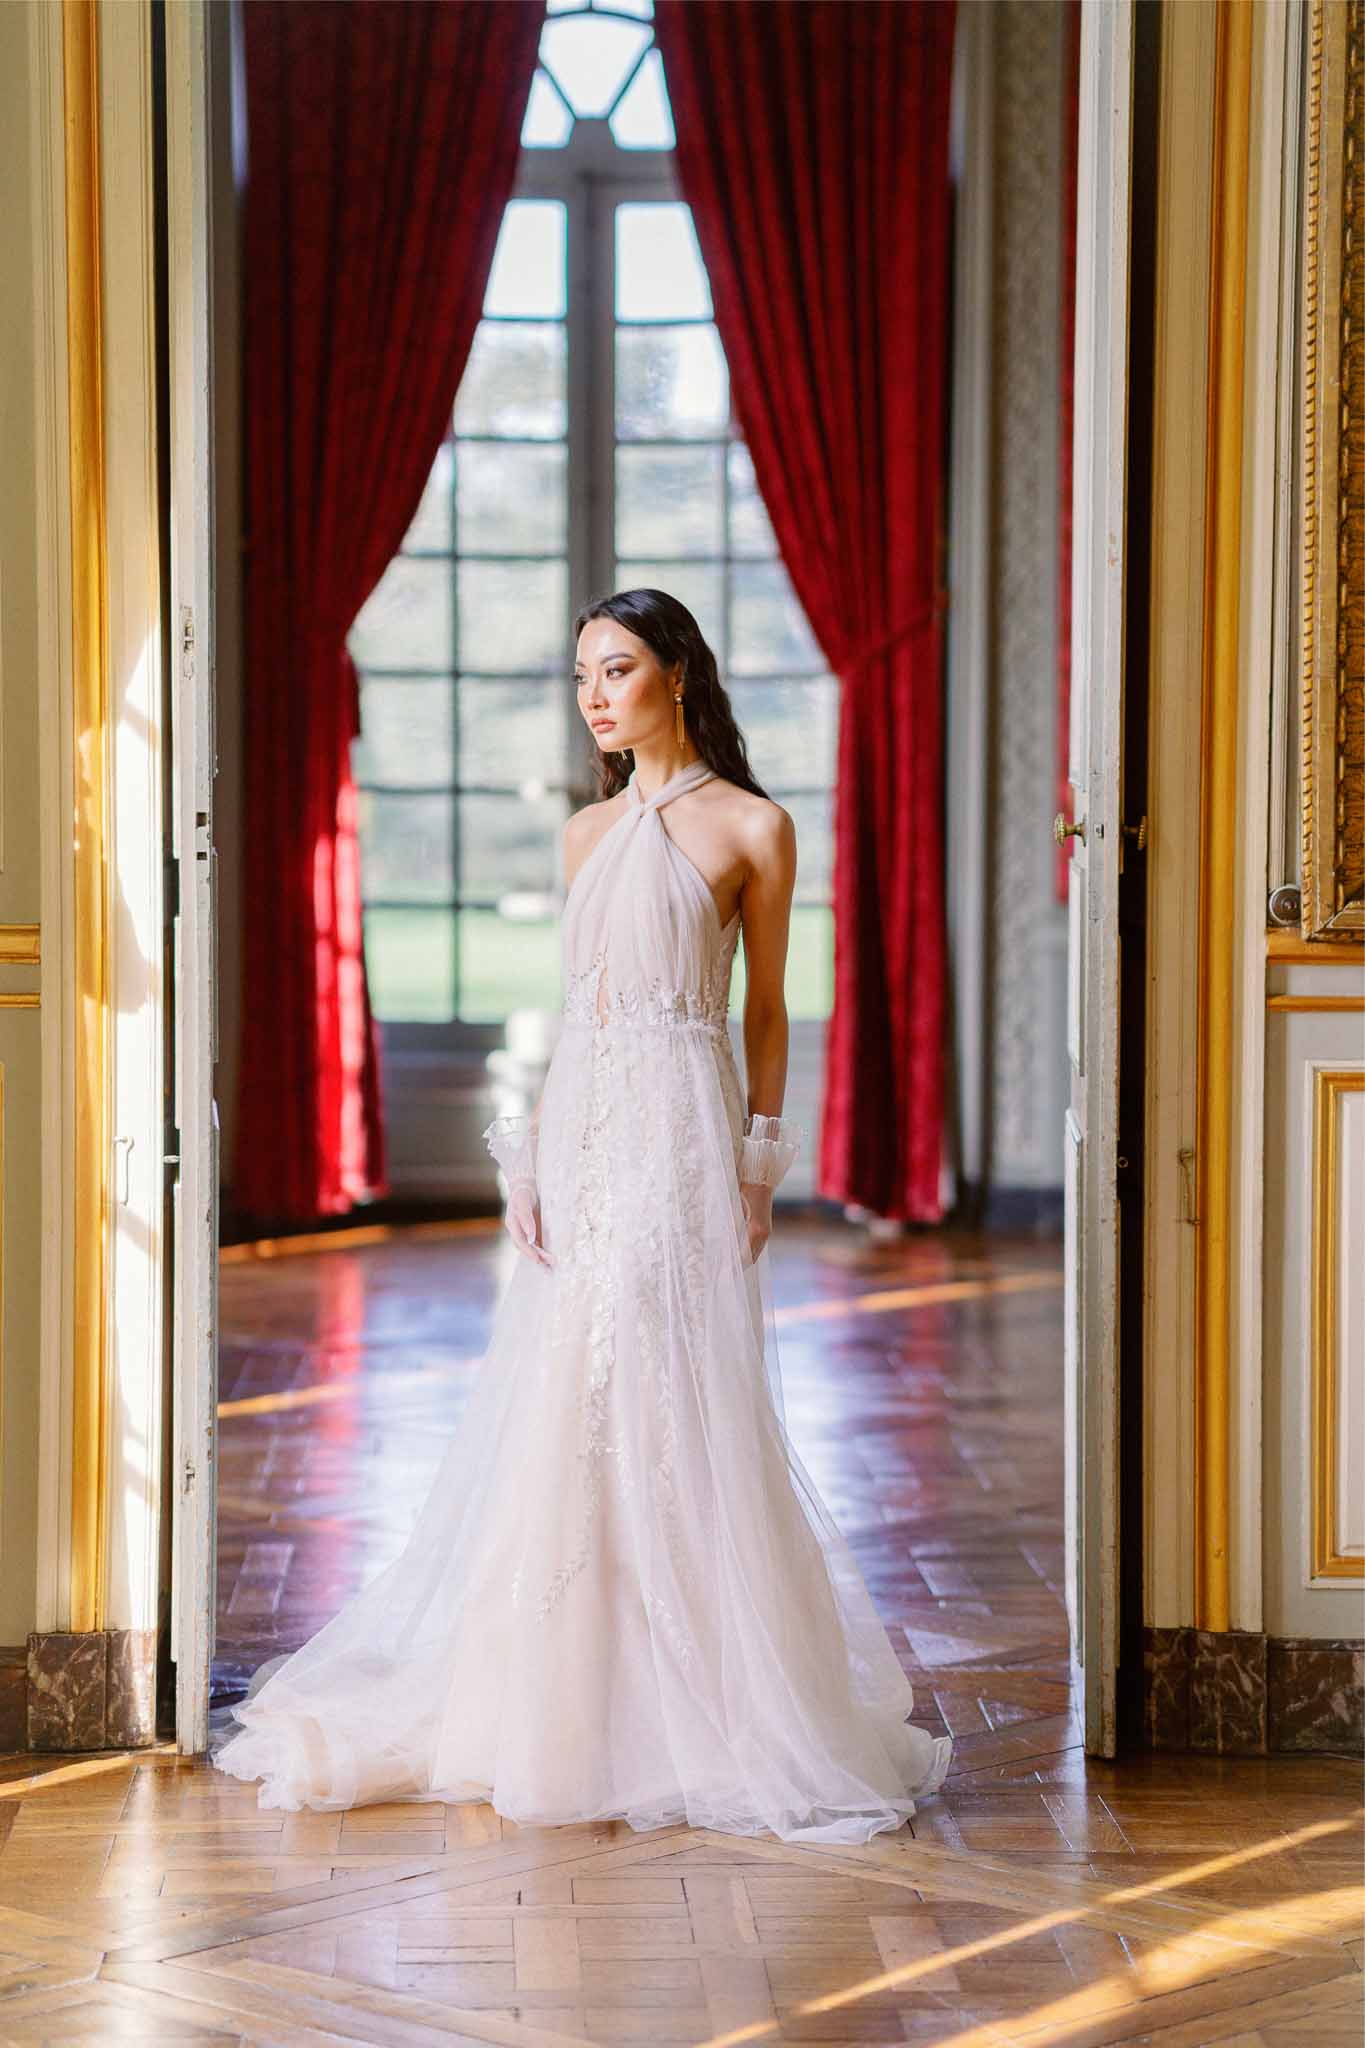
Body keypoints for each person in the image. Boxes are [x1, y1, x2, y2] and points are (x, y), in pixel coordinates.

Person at [212, 588, 953, 1845]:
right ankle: (560, 1690)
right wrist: (530, 1160)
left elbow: (765, 1010)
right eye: (578, 677)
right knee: (569, 1394)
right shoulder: (581, 834)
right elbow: (579, 1012)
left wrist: (760, 1162)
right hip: (590, 1125)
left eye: (616, 669)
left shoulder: (755, 827)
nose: (595, 696)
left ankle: (699, 1690)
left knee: (671, 1387)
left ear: (677, 673)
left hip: (684, 1129)